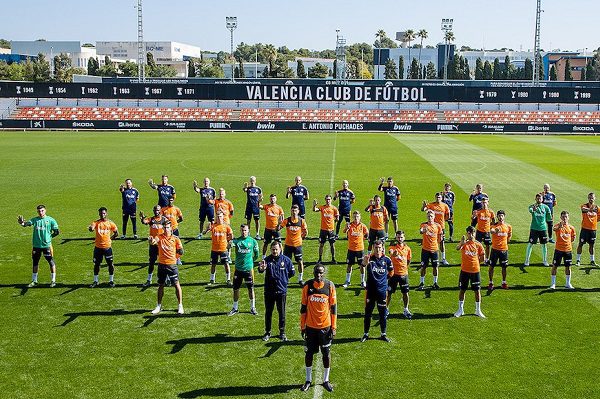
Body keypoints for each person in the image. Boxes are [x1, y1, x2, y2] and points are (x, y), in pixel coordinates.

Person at [300, 265, 337, 393]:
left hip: (325, 328)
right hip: (310, 327)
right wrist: (302, 326)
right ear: (313, 272)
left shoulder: (330, 286)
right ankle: (308, 380)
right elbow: (303, 308)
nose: (319, 275)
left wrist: (334, 326)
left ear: (324, 273)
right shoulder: (307, 286)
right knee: (309, 354)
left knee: (326, 354)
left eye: (321, 273)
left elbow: (334, 308)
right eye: (317, 273)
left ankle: (326, 380)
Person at [259, 241, 295, 342]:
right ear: (270, 250)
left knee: (282, 313)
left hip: (281, 291)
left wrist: (283, 280)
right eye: (273, 249)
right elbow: (261, 269)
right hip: (269, 291)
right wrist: (262, 269)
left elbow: (292, 273)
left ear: (280, 249)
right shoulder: (267, 260)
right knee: (268, 312)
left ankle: (282, 333)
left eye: (276, 249)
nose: (274, 251)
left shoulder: (286, 260)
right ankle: (267, 332)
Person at [17, 205, 59, 287]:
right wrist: (22, 223)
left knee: (51, 262)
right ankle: (34, 281)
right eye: (39, 211)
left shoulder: (51, 220)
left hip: (46, 246)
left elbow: (57, 232)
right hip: (36, 246)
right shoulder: (35, 220)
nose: (41, 212)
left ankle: (53, 281)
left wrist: (49, 238)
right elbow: (27, 224)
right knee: (35, 262)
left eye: (42, 211)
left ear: (45, 210)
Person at [361, 239, 393, 343]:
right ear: (373, 248)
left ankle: (383, 334)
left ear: (383, 248)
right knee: (368, 313)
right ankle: (366, 334)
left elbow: (391, 272)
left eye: (379, 248)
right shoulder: (369, 258)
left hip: (382, 292)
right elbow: (363, 266)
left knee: (382, 314)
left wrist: (384, 281)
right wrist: (363, 264)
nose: (378, 250)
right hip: (370, 291)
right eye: (376, 248)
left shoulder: (387, 260)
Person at [149, 220, 184, 315]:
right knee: (161, 285)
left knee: (176, 284)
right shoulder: (159, 237)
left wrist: (177, 256)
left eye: (168, 227)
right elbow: (153, 242)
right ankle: (158, 306)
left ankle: (180, 305)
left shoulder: (176, 239)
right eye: (164, 227)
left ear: (171, 228)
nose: (166, 229)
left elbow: (181, 251)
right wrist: (151, 240)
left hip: (172, 265)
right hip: (161, 264)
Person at [228, 224, 260, 316]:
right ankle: (235, 308)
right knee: (236, 289)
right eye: (242, 230)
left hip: (248, 270)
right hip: (238, 269)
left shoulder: (253, 241)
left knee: (251, 288)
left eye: (245, 230)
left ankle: (252, 307)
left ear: (248, 231)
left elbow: (257, 254)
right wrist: (229, 244)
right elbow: (229, 246)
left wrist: (251, 262)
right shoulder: (237, 241)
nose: (244, 232)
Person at [454, 226, 486, 318]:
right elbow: (457, 248)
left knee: (477, 291)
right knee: (462, 290)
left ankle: (478, 310)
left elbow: (482, 258)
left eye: (472, 233)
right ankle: (460, 310)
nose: (471, 235)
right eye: (469, 233)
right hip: (464, 270)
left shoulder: (478, 245)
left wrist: (475, 263)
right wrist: (461, 243)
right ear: (467, 234)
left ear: (475, 234)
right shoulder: (464, 244)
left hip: (475, 271)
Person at [88, 207, 119, 288]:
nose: (102, 215)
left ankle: (111, 281)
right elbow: (92, 227)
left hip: (107, 248)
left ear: (106, 213)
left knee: (110, 264)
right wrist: (90, 228)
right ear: (99, 214)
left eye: (104, 213)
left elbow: (116, 233)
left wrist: (110, 239)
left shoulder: (110, 223)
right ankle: (95, 281)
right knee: (96, 264)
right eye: (101, 213)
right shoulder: (96, 223)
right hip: (98, 248)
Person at [139, 205, 169, 287]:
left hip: (161, 245)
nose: (156, 212)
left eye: (158, 210)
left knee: (164, 263)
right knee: (151, 262)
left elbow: (169, 230)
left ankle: (167, 279)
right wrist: (142, 218)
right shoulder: (151, 219)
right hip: (153, 245)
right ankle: (149, 280)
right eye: (155, 210)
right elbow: (145, 222)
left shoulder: (164, 220)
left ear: (160, 211)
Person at [279, 205, 308, 285]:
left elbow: (305, 231)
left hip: (297, 245)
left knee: (299, 261)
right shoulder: (287, 220)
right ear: (291, 211)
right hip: (288, 245)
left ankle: (300, 279)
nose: (294, 212)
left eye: (295, 211)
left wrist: (302, 237)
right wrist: (278, 224)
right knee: (286, 262)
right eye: (292, 211)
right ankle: (285, 278)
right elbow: (278, 228)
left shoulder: (301, 221)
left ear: (298, 211)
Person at [203, 211, 234, 285]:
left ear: (223, 217)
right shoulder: (213, 226)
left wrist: (229, 242)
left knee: (226, 264)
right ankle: (212, 279)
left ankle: (228, 279)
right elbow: (204, 233)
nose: (219, 218)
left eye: (220, 216)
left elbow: (231, 236)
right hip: (214, 249)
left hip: (223, 249)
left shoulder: (226, 226)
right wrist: (207, 229)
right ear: (216, 217)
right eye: (218, 216)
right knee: (213, 264)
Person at [387, 230, 412, 319]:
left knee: (405, 293)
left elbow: (408, 260)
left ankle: (406, 309)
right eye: (398, 237)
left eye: (401, 237)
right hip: (393, 274)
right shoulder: (393, 246)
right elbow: (391, 253)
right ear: (396, 237)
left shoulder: (407, 249)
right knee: (389, 293)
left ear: (404, 238)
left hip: (403, 275)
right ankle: (386, 309)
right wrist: (394, 254)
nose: (400, 239)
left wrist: (405, 268)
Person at [422, 192, 451, 265]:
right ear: (435, 197)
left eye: (439, 197)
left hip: (441, 227)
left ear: (442, 198)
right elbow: (424, 209)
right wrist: (424, 206)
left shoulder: (445, 206)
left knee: (441, 242)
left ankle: (443, 259)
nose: (438, 199)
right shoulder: (431, 205)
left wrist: (444, 221)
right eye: (437, 197)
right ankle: (429, 258)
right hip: (431, 227)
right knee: (430, 242)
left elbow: (448, 216)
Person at [342, 211, 369, 288]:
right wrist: (346, 228)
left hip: (360, 249)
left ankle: (362, 281)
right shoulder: (349, 225)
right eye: (354, 217)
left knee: (362, 265)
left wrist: (362, 239)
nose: (356, 218)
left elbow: (367, 234)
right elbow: (344, 231)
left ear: (360, 217)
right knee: (349, 265)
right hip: (351, 249)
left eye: (357, 216)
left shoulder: (362, 226)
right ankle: (347, 281)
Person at [418, 210, 444, 290]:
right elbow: (421, 230)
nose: (430, 218)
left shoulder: (438, 226)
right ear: (427, 217)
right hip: (425, 250)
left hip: (434, 250)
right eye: (428, 216)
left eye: (431, 216)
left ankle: (435, 282)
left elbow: (440, 236)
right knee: (423, 267)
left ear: (434, 217)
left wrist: (437, 243)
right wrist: (422, 231)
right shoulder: (424, 225)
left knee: (435, 267)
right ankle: (421, 282)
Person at [524, 193, 552, 267]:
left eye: (540, 198)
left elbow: (549, 218)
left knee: (544, 245)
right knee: (530, 244)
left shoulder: (546, 207)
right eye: (537, 198)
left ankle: (545, 261)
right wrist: (533, 210)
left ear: (542, 199)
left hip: (543, 229)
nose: (539, 200)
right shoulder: (532, 206)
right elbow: (530, 210)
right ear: (535, 199)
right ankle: (527, 260)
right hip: (534, 228)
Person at [550, 211, 576, 290]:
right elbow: (554, 229)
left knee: (568, 267)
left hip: (568, 250)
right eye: (563, 217)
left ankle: (568, 283)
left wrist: (567, 244)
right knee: (555, 266)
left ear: (568, 218)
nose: (564, 218)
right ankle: (553, 284)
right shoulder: (558, 225)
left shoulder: (571, 228)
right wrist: (559, 227)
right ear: (560, 218)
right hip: (558, 250)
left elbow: (573, 238)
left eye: (566, 217)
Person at [489, 210, 512, 290]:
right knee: (492, 266)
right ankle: (491, 282)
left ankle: (504, 282)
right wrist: (495, 231)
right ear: (497, 217)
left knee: (504, 267)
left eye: (502, 215)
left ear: (504, 216)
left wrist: (507, 242)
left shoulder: (508, 226)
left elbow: (509, 235)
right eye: (499, 215)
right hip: (495, 250)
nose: (500, 217)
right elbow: (491, 231)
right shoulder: (494, 226)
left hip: (504, 250)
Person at [313, 195, 339, 265]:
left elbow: (337, 217)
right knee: (321, 244)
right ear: (325, 200)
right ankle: (320, 258)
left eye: (329, 199)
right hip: (323, 230)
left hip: (331, 230)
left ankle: (333, 258)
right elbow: (315, 210)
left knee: (332, 245)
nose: (328, 201)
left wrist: (336, 219)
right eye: (327, 199)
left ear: (331, 200)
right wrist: (314, 206)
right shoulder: (322, 207)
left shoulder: (334, 208)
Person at [576, 192, 598, 267]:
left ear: (595, 198)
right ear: (588, 198)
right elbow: (583, 210)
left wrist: (594, 221)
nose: (591, 199)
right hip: (585, 229)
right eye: (589, 197)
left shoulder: (597, 208)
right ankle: (578, 260)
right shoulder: (584, 206)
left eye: (592, 197)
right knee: (580, 244)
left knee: (592, 245)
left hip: (593, 230)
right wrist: (590, 209)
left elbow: (599, 216)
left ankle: (592, 260)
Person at [161, 196, 184, 264]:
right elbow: (161, 219)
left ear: (173, 200)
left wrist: (176, 222)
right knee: (168, 244)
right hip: (167, 230)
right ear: (167, 200)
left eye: (171, 200)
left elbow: (181, 218)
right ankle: (168, 258)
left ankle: (178, 259)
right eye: (169, 200)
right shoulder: (164, 209)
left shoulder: (176, 209)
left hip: (174, 229)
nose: (170, 201)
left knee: (177, 244)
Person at [472, 198, 495, 265]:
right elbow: (473, 218)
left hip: (487, 232)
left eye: (485, 202)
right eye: (483, 202)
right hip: (479, 231)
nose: (484, 204)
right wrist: (474, 215)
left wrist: (490, 227)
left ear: (488, 203)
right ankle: (477, 258)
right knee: (477, 245)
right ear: (481, 203)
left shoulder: (491, 212)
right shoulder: (478, 211)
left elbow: (493, 221)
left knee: (488, 246)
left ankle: (486, 259)